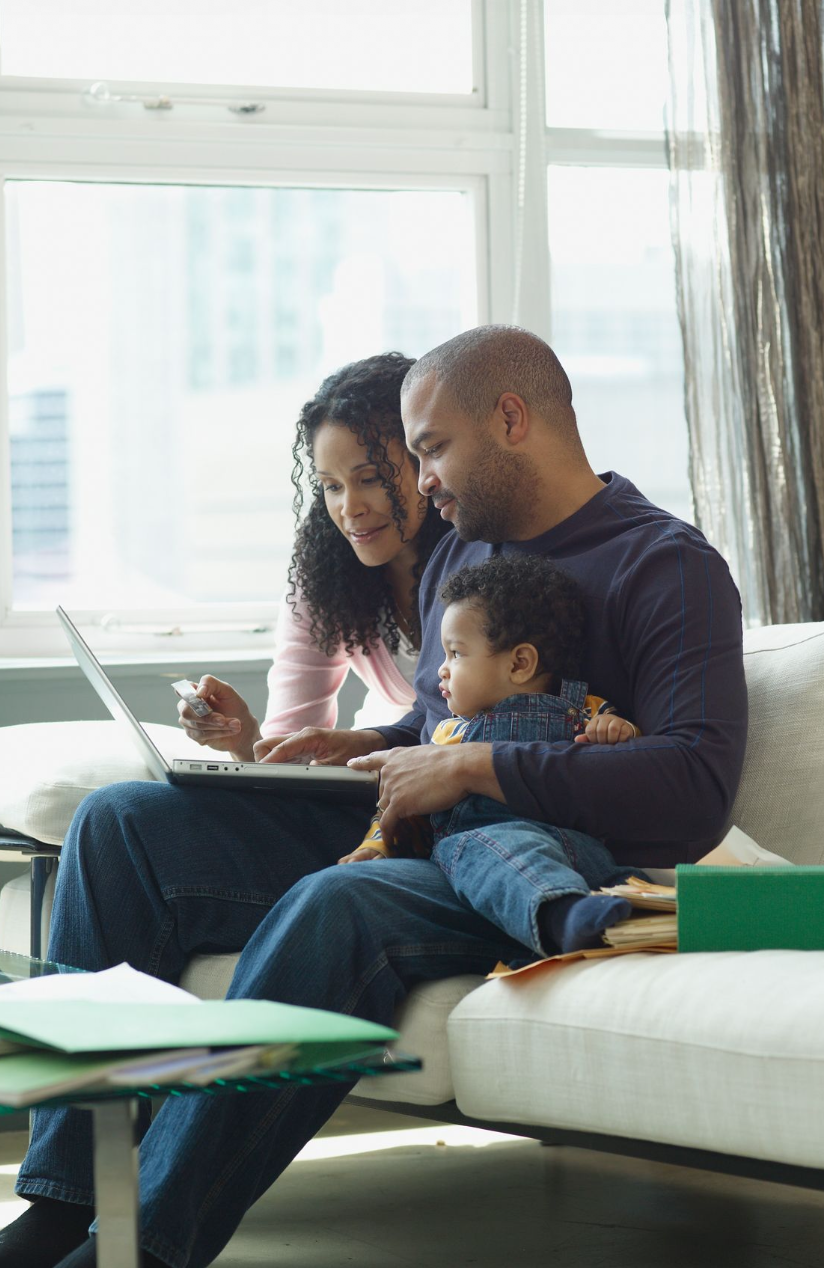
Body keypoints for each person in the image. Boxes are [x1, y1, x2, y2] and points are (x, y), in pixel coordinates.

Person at [1, 326, 747, 1268]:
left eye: (431, 449)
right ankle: (66, 1200)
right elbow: (439, 727)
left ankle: (140, 1249)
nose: (420, 482)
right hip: (413, 830)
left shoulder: (666, 567)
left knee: (338, 901)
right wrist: (369, 744)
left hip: (532, 863)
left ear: (511, 420)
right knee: (121, 826)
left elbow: (697, 788)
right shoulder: (458, 558)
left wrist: (478, 770)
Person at [340, 553, 643, 956]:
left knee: (474, 849)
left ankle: (596, 911)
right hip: (487, 852)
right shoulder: (449, 734)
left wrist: (617, 729)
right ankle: (569, 916)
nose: (440, 671)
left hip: (573, 846)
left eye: (456, 653)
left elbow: (632, 750)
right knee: (469, 849)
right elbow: (400, 804)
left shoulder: (580, 708)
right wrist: (376, 847)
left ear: (520, 662)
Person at [175, 350, 451, 759]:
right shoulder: (329, 575)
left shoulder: (476, 557)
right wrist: (243, 734)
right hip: (367, 782)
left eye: (370, 478)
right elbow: (286, 753)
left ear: (425, 463)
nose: (350, 508)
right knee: (119, 805)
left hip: (417, 775)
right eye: (332, 486)